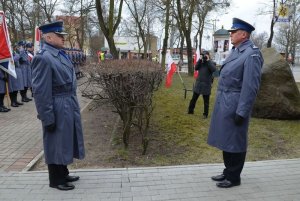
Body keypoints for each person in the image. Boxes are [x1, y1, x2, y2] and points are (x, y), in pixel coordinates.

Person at [207, 18, 264, 188]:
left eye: (234, 32)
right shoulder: (237, 51)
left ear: (244, 34)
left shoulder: (252, 54)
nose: (230, 34)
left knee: (236, 141)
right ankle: (228, 171)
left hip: (236, 105)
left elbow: (250, 86)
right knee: (226, 139)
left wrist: (242, 111)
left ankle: (234, 177)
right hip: (225, 103)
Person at [31, 21, 85, 191]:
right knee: (55, 141)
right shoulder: (43, 58)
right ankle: (55, 179)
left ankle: (63, 172)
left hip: (68, 102)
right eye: (59, 36)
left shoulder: (60, 54)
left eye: (63, 36)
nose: (63, 38)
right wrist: (47, 116)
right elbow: (40, 91)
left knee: (65, 139)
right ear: (48, 37)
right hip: (56, 104)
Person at [188, 51, 216, 118]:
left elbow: (214, 70)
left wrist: (208, 60)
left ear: (208, 55)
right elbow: (196, 68)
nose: (204, 56)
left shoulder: (211, 63)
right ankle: (190, 111)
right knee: (193, 99)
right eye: (203, 55)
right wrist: (200, 59)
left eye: (205, 55)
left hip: (206, 84)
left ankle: (205, 114)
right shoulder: (201, 62)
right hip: (199, 83)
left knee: (206, 101)